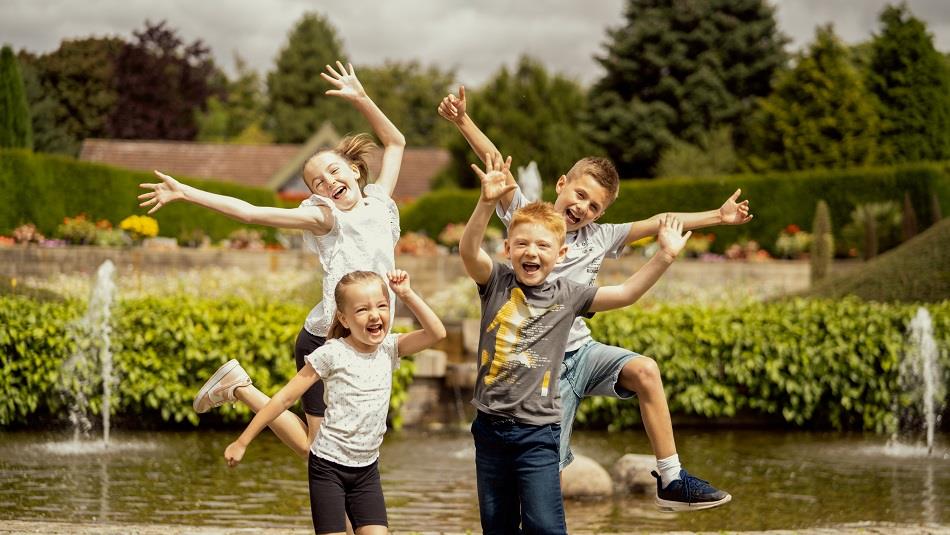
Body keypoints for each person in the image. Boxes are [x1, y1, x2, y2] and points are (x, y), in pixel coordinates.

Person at [440, 87, 744, 511]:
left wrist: (718, 216)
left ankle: (671, 477)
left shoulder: (602, 236)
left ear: (600, 214)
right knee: (547, 472)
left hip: (582, 352)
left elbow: (659, 223)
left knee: (645, 371)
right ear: (561, 184)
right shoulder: (533, 218)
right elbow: (497, 165)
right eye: (579, 195)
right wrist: (461, 122)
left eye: (593, 205)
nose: (582, 207)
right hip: (542, 370)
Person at [138, 61, 405, 458]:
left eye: (334, 171)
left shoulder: (381, 201)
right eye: (318, 182)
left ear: (353, 169)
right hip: (326, 338)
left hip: (365, 333)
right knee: (319, 450)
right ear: (316, 194)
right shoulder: (324, 218)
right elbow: (249, 212)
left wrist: (362, 98)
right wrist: (188, 193)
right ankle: (241, 389)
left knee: (345, 445)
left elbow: (396, 142)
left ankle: (239, 386)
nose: (329, 182)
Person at [461, 153, 693, 533]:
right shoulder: (496, 283)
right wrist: (486, 202)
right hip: (489, 431)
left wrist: (665, 255)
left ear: (561, 253)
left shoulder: (570, 294)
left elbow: (625, 293)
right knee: (498, 528)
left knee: (547, 528)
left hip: (538, 432)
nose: (531, 252)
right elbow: (469, 251)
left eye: (542, 246)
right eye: (522, 244)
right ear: (507, 248)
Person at [224, 269, 446, 535]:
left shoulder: (389, 347)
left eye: (382, 306)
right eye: (362, 310)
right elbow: (284, 398)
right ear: (344, 318)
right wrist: (242, 441)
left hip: (366, 470)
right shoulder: (332, 353)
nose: (374, 315)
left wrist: (407, 294)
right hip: (328, 468)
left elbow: (437, 333)